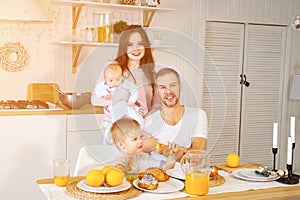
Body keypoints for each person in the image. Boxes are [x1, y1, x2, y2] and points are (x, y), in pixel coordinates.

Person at [92, 25, 161, 118]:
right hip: (118, 128)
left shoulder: (151, 74)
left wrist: (150, 116)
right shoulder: (113, 68)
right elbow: (95, 98)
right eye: (130, 44)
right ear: (124, 47)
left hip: (143, 127)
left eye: (140, 43)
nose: (136, 48)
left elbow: (157, 105)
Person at [142, 67, 208, 153]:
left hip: (186, 167)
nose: (168, 92)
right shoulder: (148, 121)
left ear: (180, 86)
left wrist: (171, 152)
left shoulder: (198, 115)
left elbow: (197, 155)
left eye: (173, 85)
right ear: (157, 90)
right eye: (163, 87)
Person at [92, 117, 175, 178]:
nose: (140, 141)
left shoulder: (143, 158)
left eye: (141, 137)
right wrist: (118, 167)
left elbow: (165, 169)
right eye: (135, 139)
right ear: (121, 145)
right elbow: (94, 170)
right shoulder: (118, 158)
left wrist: (172, 155)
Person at [93, 62, 144, 144]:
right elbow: (98, 91)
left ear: (121, 77)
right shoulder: (105, 86)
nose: (115, 82)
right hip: (112, 115)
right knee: (112, 140)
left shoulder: (125, 84)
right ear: (106, 80)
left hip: (126, 110)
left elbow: (135, 90)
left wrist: (132, 100)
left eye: (118, 79)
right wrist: (105, 94)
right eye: (111, 80)